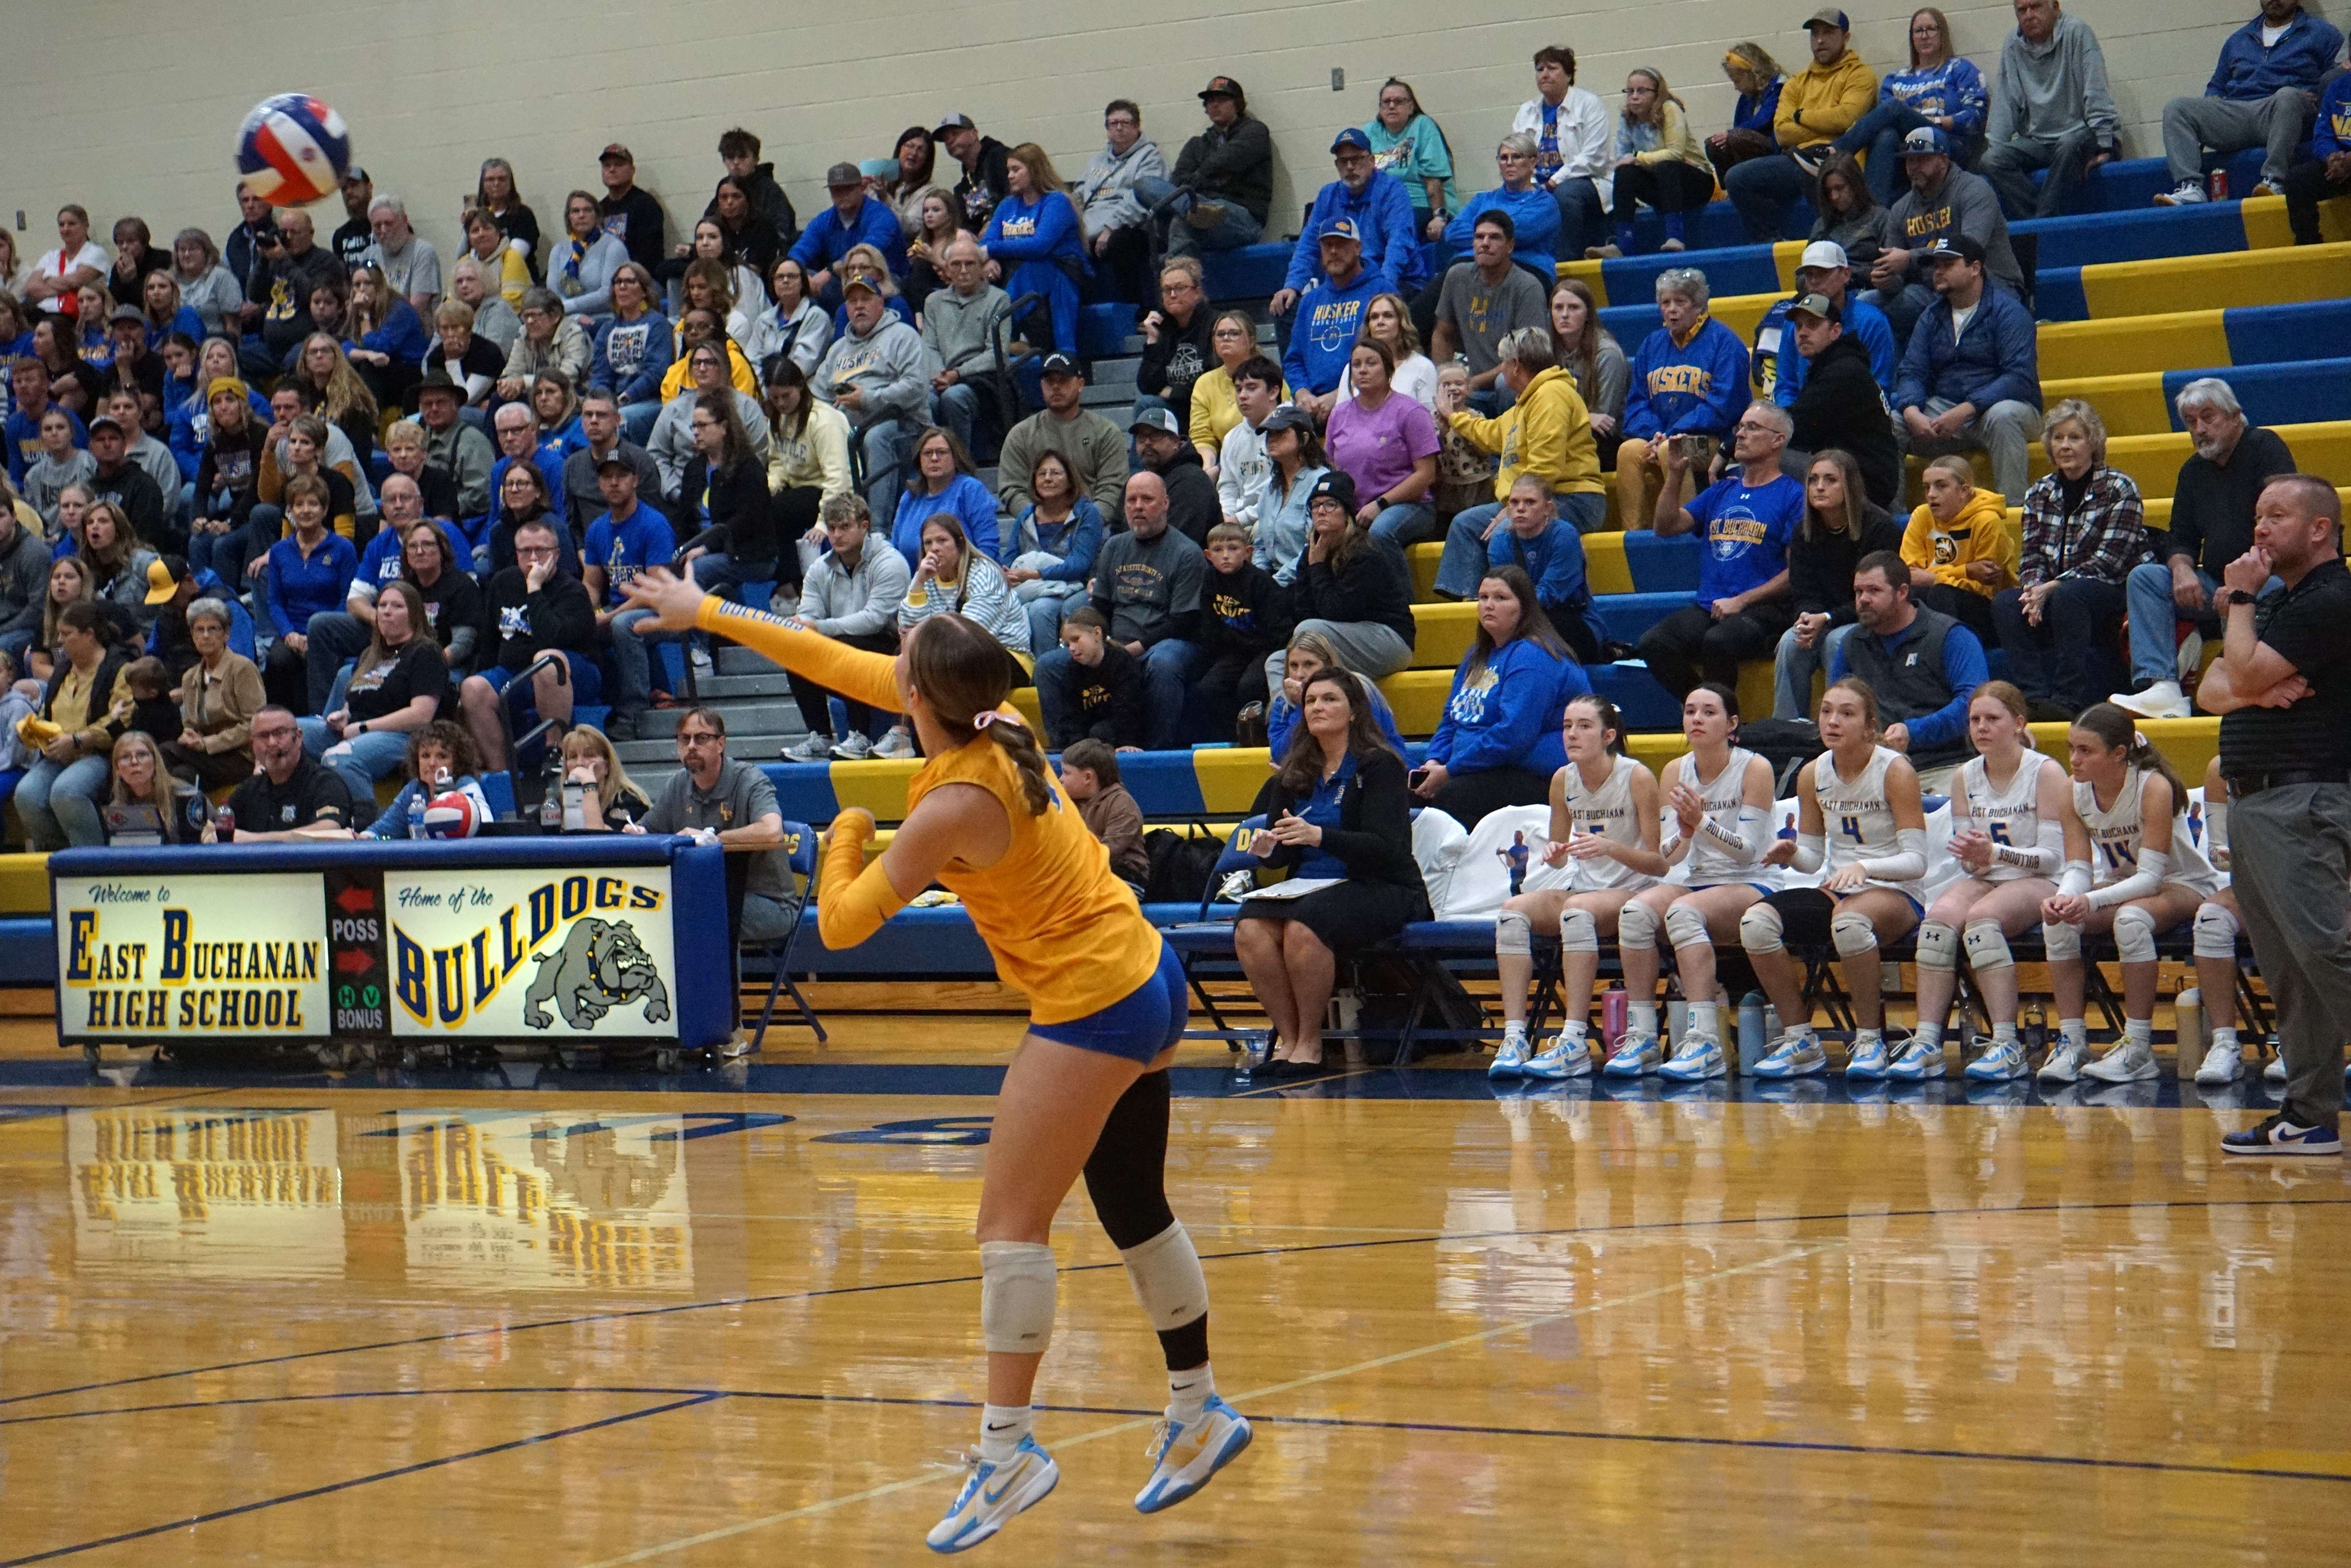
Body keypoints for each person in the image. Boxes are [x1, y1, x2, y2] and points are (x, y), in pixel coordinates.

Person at [629, 567, 1255, 1540]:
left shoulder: (952, 802)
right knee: (1133, 1204)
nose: (890, 671)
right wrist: (703, 611)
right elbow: (834, 661)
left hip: (1096, 1000)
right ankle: (1198, 1407)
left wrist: (840, 832)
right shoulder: (1003, 720)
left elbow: (837, 925)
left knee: (1007, 1229)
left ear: (919, 695)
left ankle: (1007, 1453)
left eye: (904, 662)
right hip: (1148, 969)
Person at [2196, 476, 2351, 1152]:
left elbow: (2244, 673)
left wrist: (2236, 604)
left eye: (2276, 516)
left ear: (2319, 528)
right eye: (2256, 514)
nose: (2258, 528)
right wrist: (2250, 683)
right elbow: (2209, 686)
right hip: (2253, 802)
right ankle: (2309, 1113)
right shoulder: (2285, 602)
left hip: (2302, 796)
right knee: (2289, 966)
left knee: (2325, 951)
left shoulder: (2330, 598)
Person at [1237, 665, 1427, 1077]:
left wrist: (1320, 836)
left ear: (1354, 710)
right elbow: (1281, 855)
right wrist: (1269, 849)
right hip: (1310, 885)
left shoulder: (1379, 766)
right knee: (1250, 925)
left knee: (1307, 923)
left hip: (1381, 884)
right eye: (1310, 701)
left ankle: (1311, 1042)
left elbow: (1385, 848)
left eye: (1329, 699)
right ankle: (1287, 1040)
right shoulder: (1293, 772)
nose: (1317, 707)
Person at [1740, 677, 1929, 1080]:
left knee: (1849, 922)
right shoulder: (1812, 773)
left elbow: (1916, 860)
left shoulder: (1895, 771)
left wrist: (1867, 867)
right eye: (1826, 711)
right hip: (1839, 888)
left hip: (1895, 891)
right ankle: (1800, 1038)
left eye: (1846, 713)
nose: (1833, 720)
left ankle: (1869, 1038)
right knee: (1756, 924)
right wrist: (1792, 853)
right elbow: (1812, 860)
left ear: (1869, 726)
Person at [2034, 702, 2225, 1083]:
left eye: (2085, 750)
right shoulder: (2072, 790)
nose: (2074, 759)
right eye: (2071, 748)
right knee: (2057, 923)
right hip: (2124, 884)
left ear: (2119, 754)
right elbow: (2078, 867)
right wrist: (2066, 897)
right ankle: (2072, 1043)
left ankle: (2138, 1048)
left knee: (2130, 920)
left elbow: (2152, 878)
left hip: (2183, 884)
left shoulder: (2152, 785)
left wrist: (2089, 900)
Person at [1485, 695, 1665, 1079]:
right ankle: (1515, 1037)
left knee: (1577, 914)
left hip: (1633, 890)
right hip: (1583, 887)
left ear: (1608, 735)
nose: (1572, 734)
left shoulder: (1637, 776)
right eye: (1567, 725)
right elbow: (1562, 856)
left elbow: (1658, 862)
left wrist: (1610, 847)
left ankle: (1573, 1039)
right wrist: (1554, 853)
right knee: (1511, 914)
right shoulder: (1561, 779)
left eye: (1584, 726)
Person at [1610, 683, 1780, 1076]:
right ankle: (1643, 1038)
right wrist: (1685, 834)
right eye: (1690, 712)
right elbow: (1670, 859)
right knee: (1635, 912)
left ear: (1732, 724)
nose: (1697, 719)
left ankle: (1706, 1042)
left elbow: (1748, 852)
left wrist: (1701, 822)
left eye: (1708, 712)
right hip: (1699, 880)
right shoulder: (1675, 770)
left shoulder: (1754, 767)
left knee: (1684, 913)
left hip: (1752, 881)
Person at [1908, 680, 2072, 1081]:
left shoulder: (2046, 772)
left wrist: (1994, 854)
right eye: (1974, 719)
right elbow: (1970, 858)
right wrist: (1975, 859)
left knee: (1981, 922)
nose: (1981, 727)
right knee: (1936, 923)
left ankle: (2006, 1043)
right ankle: (1927, 1042)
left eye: (1992, 718)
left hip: (2042, 878)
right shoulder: (1964, 776)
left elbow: (2054, 856)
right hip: (1989, 877)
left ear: (2018, 723)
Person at [2114, 379, 2297, 719]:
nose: (2199, 428)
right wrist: (2182, 570)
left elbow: (2279, 521)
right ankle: (2161, 686)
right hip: (2214, 583)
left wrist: (2242, 583)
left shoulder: (2263, 446)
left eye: (2207, 417)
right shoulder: (2192, 470)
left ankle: (2243, 683)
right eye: (2190, 421)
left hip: (2267, 579)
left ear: (2234, 416)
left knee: (2268, 588)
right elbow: (2180, 536)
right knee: (2145, 578)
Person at [1992, 400, 2148, 721]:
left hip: (2110, 590)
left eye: (2074, 437)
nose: (2065, 446)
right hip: (2055, 592)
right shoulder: (2039, 492)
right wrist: (2033, 589)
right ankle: (2031, 696)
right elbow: (2031, 554)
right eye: (2058, 438)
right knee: (2007, 603)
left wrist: (2051, 587)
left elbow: (2110, 561)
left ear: (2093, 442)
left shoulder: (2119, 487)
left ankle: (2068, 698)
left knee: (2069, 594)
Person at [1638, 402, 1802, 697]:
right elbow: (1665, 527)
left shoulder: (1792, 495)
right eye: (1740, 427)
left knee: (1718, 642)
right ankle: (1703, 708)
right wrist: (1675, 474)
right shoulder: (1722, 490)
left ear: (1778, 439)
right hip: (1712, 606)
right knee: (1654, 643)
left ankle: (1721, 723)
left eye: (1752, 427)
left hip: (1764, 610)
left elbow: (1796, 573)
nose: (1740, 434)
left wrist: (1741, 601)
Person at [1040, 472, 1206, 751]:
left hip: (1168, 642)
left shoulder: (1186, 553)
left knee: (1164, 663)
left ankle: (1158, 752)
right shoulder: (1114, 546)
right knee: (1049, 666)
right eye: (1131, 500)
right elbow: (1101, 606)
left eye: (1147, 499)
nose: (1138, 506)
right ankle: (1067, 750)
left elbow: (1183, 620)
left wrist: (1132, 649)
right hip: (1114, 642)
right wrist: (1096, 641)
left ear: (1165, 504)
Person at [1413, 565, 1588, 828]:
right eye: (1483, 598)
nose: (1488, 606)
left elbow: (1514, 734)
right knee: (1402, 796)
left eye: (1501, 598)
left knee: (1452, 800)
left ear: (1524, 607)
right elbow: (1452, 718)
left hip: (1535, 774)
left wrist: (1451, 771)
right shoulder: (1476, 655)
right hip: (1479, 767)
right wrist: (1434, 761)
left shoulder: (1533, 655)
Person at [630, 705, 796, 956]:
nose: (692, 746)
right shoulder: (678, 785)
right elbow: (647, 830)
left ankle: (725, 997)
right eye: (684, 739)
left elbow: (772, 831)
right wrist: (637, 834)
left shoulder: (749, 779)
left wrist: (709, 839)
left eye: (702, 738)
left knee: (703, 913)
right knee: (660, 907)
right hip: (712, 894)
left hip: (771, 903)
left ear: (721, 744)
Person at [1893, 236, 2042, 504]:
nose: (1938, 271)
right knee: (1893, 422)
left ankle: (2014, 516)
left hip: (1998, 410)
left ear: (1975, 268)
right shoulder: (1930, 316)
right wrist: (1911, 410)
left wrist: (1967, 408)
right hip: (1947, 410)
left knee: (2003, 415)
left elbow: (2019, 377)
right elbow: (1911, 372)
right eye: (1935, 265)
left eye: (1948, 264)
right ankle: (1893, 524)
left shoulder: (2008, 312)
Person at [1829, 550, 1992, 790]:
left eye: (1874, 591)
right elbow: (1835, 706)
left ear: (1902, 592)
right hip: (1872, 768)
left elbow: (1974, 705)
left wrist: (1914, 732)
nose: (1863, 599)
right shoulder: (1853, 642)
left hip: (1943, 766)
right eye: (1859, 592)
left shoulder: (1950, 636)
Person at [2155, 0, 2341, 207]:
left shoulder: (2323, 34)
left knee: (2288, 96)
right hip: (2240, 112)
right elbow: (2216, 86)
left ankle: (2274, 180)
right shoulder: (2239, 39)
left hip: (2286, 110)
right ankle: (2191, 187)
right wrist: (2215, 103)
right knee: (2177, 107)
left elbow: (2336, 83)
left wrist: (2313, 95)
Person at [1724, 10, 1879, 244]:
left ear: (1846, 37)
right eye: (1815, 34)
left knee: (1813, 168)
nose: (1820, 40)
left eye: (1828, 33)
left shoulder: (1861, 75)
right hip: (1795, 159)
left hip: (1837, 158)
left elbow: (1847, 118)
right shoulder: (1796, 82)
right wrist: (1828, 126)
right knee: (1736, 178)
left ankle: (1842, 240)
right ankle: (1772, 242)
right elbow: (1783, 133)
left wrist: (1801, 116)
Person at [460, 515, 600, 772]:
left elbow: (553, 638)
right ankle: (503, 773)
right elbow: (490, 641)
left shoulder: (572, 591)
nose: (534, 557)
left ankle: (554, 751)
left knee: (545, 660)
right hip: (515, 673)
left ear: (556, 554)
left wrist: (534, 589)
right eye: (526, 551)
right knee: (473, 688)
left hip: (572, 674)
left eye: (541, 550)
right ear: (516, 554)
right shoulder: (502, 583)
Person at [299, 579, 448, 819]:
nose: (387, 611)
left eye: (397, 606)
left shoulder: (425, 652)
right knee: (289, 732)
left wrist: (365, 727)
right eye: (382, 605)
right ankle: (301, 814)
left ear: (414, 614)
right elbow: (359, 699)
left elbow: (422, 715)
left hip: (404, 736)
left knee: (339, 759)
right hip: (359, 730)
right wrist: (344, 715)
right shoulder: (371, 654)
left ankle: (369, 827)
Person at [778, 493, 911, 762]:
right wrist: (803, 627)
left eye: (845, 527)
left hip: (891, 647)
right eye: (832, 528)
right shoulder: (819, 568)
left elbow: (874, 619)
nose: (837, 535)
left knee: (847, 648)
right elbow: (808, 614)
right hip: (843, 641)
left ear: (864, 526)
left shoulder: (890, 562)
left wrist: (817, 626)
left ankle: (860, 736)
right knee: (796, 649)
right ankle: (820, 736)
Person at [1615, 268, 1750, 531]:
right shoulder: (1651, 345)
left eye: (1681, 302)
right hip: (1662, 438)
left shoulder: (1725, 343)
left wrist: (1672, 434)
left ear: (1699, 306)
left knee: (1672, 450)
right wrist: (1654, 433)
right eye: (1666, 303)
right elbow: (1637, 403)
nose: (1672, 310)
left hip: (1715, 443)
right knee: (1628, 451)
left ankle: (1688, 526)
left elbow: (1723, 406)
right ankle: (1632, 534)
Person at [1262, 472, 1417, 699]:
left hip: (1389, 640)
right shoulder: (1311, 553)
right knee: (1276, 663)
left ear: (1347, 514)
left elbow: (1338, 612)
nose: (1321, 511)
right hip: (1338, 639)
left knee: (1311, 630)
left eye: (1330, 504)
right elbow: (1303, 610)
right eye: (1315, 506)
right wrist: (1314, 563)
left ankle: (1319, 703)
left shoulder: (1366, 553)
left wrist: (1317, 567)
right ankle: (1288, 723)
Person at [1775, 449, 1903, 718]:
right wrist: (1809, 617)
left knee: (1837, 641)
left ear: (1850, 485)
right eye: (1813, 480)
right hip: (1824, 618)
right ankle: (1788, 733)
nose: (1819, 487)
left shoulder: (1879, 528)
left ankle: (1844, 724)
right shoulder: (1803, 532)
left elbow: (1877, 598)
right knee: (1791, 640)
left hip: (1870, 617)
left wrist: (1828, 617)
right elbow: (1803, 591)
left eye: (1830, 480)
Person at [1869, 129, 2027, 346]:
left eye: (1922, 159)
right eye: (1909, 161)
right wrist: (1887, 281)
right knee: (1866, 308)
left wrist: (1910, 257)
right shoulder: (1900, 210)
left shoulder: (1974, 190)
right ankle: (1893, 380)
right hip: (1933, 292)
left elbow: (1971, 250)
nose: (1913, 167)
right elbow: (1898, 274)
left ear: (1944, 161)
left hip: (1991, 285)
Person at [1978, 0, 2122, 220]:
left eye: (2035, 7)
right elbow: (2005, 105)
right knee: (1991, 160)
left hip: (2081, 134)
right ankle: (2041, 218)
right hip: (2039, 142)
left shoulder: (2078, 32)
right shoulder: (2012, 45)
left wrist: (2106, 146)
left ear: (2055, 8)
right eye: (2022, 10)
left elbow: (2096, 90)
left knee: (2068, 144)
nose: (2029, 15)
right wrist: (1995, 148)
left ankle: (2041, 225)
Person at [1834, 8, 1989, 204]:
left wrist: (1939, 122)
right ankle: (1876, 218)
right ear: (1912, 38)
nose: (1925, 36)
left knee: (1894, 109)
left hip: (1948, 145)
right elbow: (1882, 123)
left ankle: (1837, 153)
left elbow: (1977, 116)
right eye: (1918, 31)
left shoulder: (1960, 69)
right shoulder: (1895, 79)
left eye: (1931, 30)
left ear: (1943, 34)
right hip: (1907, 150)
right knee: (1886, 135)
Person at [14, 601, 130, 849]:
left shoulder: (119, 667)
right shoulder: (62, 671)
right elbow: (47, 713)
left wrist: (77, 740)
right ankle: (57, 862)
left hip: (101, 754)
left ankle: (90, 865)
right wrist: (39, 734)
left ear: (89, 635)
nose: (59, 641)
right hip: (60, 755)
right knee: (26, 794)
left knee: (67, 792)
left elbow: (121, 720)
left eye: (66, 634)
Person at [1273, 130, 1424, 320]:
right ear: (1337, 165)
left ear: (1372, 161)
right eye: (1343, 161)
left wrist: (1383, 288)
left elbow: (1399, 242)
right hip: (1345, 283)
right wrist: (1292, 285)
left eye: (1357, 159)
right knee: (1286, 308)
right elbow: (1308, 245)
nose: (1350, 167)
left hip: (1395, 281)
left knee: (1369, 310)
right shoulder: (1328, 195)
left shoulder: (1392, 191)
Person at [814, 275, 930, 522]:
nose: (859, 306)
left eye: (866, 299)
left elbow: (916, 387)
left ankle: (879, 527)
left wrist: (867, 399)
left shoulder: (903, 336)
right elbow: (818, 395)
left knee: (878, 437)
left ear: (881, 303)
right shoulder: (838, 350)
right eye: (852, 301)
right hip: (851, 426)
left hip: (906, 425)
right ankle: (836, 524)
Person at [584, 456, 678, 740]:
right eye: (607, 477)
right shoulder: (597, 529)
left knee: (624, 625)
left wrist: (609, 617)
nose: (614, 483)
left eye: (621, 476)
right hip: (619, 607)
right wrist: (587, 612)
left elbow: (654, 591)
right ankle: (602, 706)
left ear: (635, 480)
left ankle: (634, 713)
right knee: (579, 628)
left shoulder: (654, 524)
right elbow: (591, 583)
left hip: (664, 609)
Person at [673, 389, 776, 638]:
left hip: (748, 554)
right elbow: (686, 518)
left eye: (702, 425)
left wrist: (706, 548)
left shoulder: (748, 467)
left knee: (696, 570)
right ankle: (733, 627)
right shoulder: (694, 470)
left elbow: (749, 520)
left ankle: (699, 647)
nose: (695, 432)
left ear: (724, 428)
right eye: (693, 426)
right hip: (706, 551)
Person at [1781, 295, 1899, 511]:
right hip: (1855, 473)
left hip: (1865, 487)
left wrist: (1731, 445)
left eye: (1813, 325)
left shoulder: (1842, 372)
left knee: (1765, 456)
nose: (1803, 333)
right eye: (1798, 327)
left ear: (1835, 332)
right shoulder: (1834, 365)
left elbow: (1794, 426)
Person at [1431, 214, 1551, 423]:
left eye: (1494, 238)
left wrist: (1472, 382)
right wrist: (1445, 378)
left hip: (1515, 385)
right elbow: (1443, 334)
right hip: (1473, 388)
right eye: (1479, 237)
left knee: (1505, 385)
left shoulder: (1528, 287)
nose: (1485, 244)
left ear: (1510, 246)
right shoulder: (1457, 277)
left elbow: (1525, 359)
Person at [1136, 77, 1273, 259]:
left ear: (1238, 104)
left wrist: (1200, 176)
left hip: (1243, 218)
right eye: (1210, 102)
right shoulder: (1196, 145)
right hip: (1200, 211)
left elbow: (1228, 160)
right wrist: (1209, 183)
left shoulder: (1255, 132)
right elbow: (1178, 183)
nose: (1215, 105)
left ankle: (1196, 210)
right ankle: (1195, 209)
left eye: (1222, 100)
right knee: (1144, 184)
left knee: (1181, 222)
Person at [1325, 335, 1440, 548]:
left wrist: (1381, 504)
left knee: (1380, 533)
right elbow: (1333, 467)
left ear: (1388, 370)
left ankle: (1399, 584)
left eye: (1371, 363)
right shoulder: (1339, 414)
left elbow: (1426, 474)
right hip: (1356, 507)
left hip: (1409, 505)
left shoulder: (1411, 412)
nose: (1362, 370)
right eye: (1357, 365)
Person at [981, 144, 1088, 360]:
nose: (1010, 176)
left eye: (1016, 170)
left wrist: (991, 250)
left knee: (1034, 268)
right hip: (1020, 272)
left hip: (1061, 271)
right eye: (1009, 171)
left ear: (1034, 170)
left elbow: (1040, 245)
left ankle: (1019, 340)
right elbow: (987, 240)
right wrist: (989, 259)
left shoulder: (1057, 202)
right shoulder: (1008, 205)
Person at [1595, 69, 1716, 258]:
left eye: (1642, 91)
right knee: (1625, 172)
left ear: (1657, 94)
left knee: (1666, 165)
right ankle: (1623, 243)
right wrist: (1630, 162)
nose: (1634, 97)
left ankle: (1675, 236)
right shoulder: (1627, 116)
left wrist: (1638, 158)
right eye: (1630, 91)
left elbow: (1675, 152)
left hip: (1695, 183)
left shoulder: (1669, 109)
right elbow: (1621, 155)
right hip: (1662, 185)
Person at [1898, 455, 2014, 645]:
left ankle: (1947, 652)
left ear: (1964, 491)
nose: (1931, 495)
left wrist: (1935, 579)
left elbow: (1986, 590)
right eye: (1927, 487)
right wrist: (1967, 570)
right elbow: (1909, 575)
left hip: (1984, 611)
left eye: (1941, 486)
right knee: (1910, 594)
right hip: (1936, 599)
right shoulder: (1921, 515)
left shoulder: (1987, 521)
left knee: (1941, 593)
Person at [1191, 520, 1291, 740]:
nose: (1225, 556)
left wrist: (1249, 645)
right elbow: (1210, 626)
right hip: (1234, 650)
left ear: (1248, 552)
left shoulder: (1260, 582)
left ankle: (1259, 736)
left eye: (1233, 549)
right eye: (1218, 550)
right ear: (1208, 556)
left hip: (1264, 649)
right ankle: (1232, 737)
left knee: (1250, 685)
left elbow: (1278, 632)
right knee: (1209, 687)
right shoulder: (1210, 580)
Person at [1511, 45, 1613, 259]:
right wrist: (1528, 184)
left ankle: (1566, 263)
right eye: (1540, 69)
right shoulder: (1527, 111)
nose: (1545, 74)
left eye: (1552, 68)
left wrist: (1554, 182)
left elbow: (1594, 158)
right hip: (1540, 184)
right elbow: (1517, 153)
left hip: (1586, 182)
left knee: (1564, 196)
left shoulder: (1589, 104)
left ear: (1568, 75)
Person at [998, 356, 1129, 519]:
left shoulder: (1106, 432)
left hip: (1094, 526)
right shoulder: (1021, 435)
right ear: (1041, 386)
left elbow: (1113, 488)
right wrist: (1038, 520)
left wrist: (1088, 523)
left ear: (1081, 385)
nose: (1056, 387)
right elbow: (1011, 488)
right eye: (1049, 381)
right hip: (1037, 527)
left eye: (1063, 380)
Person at [1279, 220, 1385, 421]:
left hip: (1365, 404)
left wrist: (1340, 396)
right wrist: (1303, 395)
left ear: (1358, 248)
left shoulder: (1381, 293)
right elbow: (1294, 360)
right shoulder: (1310, 301)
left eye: (1342, 244)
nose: (1334, 251)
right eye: (1328, 246)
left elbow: (1391, 358)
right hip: (1312, 407)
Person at [919, 236, 1011, 461]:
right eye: (956, 265)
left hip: (980, 381)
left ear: (981, 268)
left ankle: (961, 466)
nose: (963, 271)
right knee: (923, 401)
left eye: (970, 264)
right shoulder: (934, 301)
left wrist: (957, 374)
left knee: (954, 397)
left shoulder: (998, 299)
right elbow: (929, 346)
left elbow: (996, 354)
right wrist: (939, 375)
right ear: (947, 270)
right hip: (941, 376)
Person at [1004, 451, 1106, 655]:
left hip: (1077, 585)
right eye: (1042, 474)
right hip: (1031, 586)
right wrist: (1008, 574)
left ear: (1070, 480)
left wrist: (1037, 574)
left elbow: (1080, 564)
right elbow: (1009, 559)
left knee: (1041, 610)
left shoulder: (1087, 513)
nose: (1048, 479)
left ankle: (1047, 671)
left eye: (1056, 473)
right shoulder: (1026, 516)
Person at [1776, 240, 1897, 410]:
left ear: (1846, 274)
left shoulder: (1872, 321)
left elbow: (1881, 385)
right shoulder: (1794, 324)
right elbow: (1786, 385)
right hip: (1805, 417)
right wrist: (1794, 418)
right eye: (1810, 275)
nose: (1815, 281)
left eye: (1823, 273)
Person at [1438, 135, 1564, 296]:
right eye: (1504, 158)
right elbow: (1453, 233)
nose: (1509, 163)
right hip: (1469, 266)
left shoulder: (1545, 203)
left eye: (1516, 157)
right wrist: (1497, 235)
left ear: (1533, 162)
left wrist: (1479, 236)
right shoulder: (1483, 199)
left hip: (1526, 269)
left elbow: (1519, 235)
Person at [1071, 101, 1165, 304]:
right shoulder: (1097, 161)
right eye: (1113, 123)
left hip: (1132, 227)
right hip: (1090, 229)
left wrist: (1110, 228)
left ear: (1137, 127)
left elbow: (1141, 199)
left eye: (1125, 122)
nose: (1119, 128)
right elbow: (1079, 193)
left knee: (1121, 243)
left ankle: (1137, 310)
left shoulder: (1150, 157)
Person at [223, 704, 354, 840]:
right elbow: (219, 826)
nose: (272, 743)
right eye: (263, 736)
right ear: (253, 745)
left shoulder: (325, 783)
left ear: (298, 738)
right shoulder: (250, 789)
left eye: (280, 733)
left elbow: (328, 830)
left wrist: (251, 840)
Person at [790, 162, 909, 310]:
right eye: (836, 191)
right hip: (843, 280)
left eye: (848, 189)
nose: (842, 195)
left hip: (884, 279)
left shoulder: (881, 215)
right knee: (791, 279)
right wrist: (801, 276)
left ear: (861, 188)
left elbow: (866, 251)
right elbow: (799, 252)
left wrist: (829, 272)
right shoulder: (825, 220)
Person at [889, 425, 999, 571]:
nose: (934, 458)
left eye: (941, 452)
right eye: (928, 453)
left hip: (969, 583)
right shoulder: (909, 498)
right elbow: (895, 552)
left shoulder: (970, 490)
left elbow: (988, 547)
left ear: (955, 457)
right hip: (917, 586)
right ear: (919, 460)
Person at [363, 720, 496, 838]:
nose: (432, 763)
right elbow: (382, 830)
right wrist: (360, 837)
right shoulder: (414, 789)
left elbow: (486, 828)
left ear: (457, 762)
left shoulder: (465, 785)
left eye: (442, 756)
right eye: (425, 756)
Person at [1364, 78, 1460, 241]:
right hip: (1382, 205)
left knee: (1392, 228)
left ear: (1411, 107)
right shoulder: (1370, 131)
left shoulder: (1423, 126)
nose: (1392, 106)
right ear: (1380, 108)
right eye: (1386, 102)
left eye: (1399, 101)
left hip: (1420, 204)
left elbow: (1434, 180)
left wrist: (1439, 217)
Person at [1039, 607, 1146, 750]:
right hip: (1090, 739)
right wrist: (1076, 748)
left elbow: (1129, 711)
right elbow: (1070, 717)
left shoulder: (1122, 663)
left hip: (1117, 737)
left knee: (1099, 731)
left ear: (1097, 633)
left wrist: (1127, 743)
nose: (1071, 648)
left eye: (1076, 640)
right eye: (1067, 644)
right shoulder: (1072, 671)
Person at [1189, 310, 1279, 472]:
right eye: (1220, 334)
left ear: (1251, 341)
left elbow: (1283, 422)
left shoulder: (1270, 376)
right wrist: (1208, 467)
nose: (1226, 338)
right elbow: (1202, 437)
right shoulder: (1204, 383)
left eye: (1234, 333)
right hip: (1224, 459)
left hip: (1269, 454)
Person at [1249, 407, 1328, 587]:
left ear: (1305, 438)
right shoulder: (1271, 486)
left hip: (1308, 582)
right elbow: (1261, 545)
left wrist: (1275, 583)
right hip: (1274, 581)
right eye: (1270, 433)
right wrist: (1261, 580)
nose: (1272, 439)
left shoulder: (1321, 482)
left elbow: (1315, 546)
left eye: (1281, 432)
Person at [1136, 258, 1213, 441]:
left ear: (1197, 293)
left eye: (1180, 288)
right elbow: (1147, 385)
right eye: (1167, 290)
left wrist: (1173, 393)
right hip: (1176, 411)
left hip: (1207, 408)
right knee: (1147, 405)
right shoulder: (1163, 327)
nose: (1172, 295)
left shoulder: (1214, 325)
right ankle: (1145, 471)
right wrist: (1153, 340)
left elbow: (1213, 379)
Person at [1056, 739, 1148, 887]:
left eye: (1067, 773)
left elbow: (1110, 851)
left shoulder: (1122, 804)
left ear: (1088, 777)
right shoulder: (1067, 804)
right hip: (1085, 874)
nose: (1060, 780)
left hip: (1125, 878)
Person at [1130, 407, 1220, 548]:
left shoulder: (1192, 481)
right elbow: (1118, 529)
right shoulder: (1137, 481)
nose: (1147, 443)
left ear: (1176, 442)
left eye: (1155, 435)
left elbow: (1177, 544)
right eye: (1141, 437)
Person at [414, 371, 495, 521]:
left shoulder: (473, 441)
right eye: (427, 404)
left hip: (463, 524)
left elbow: (482, 495)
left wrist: (442, 509)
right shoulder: (418, 439)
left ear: (456, 405)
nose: (434, 409)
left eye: (441, 402)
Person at [1339, 290, 1438, 412]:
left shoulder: (1423, 367)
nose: (1380, 322)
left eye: (1388, 316)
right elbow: (1341, 416)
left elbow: (1431, 420)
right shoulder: (1354, 367)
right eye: (1374, 317)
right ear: (1368, 325)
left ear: (1401, 322)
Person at [1214, 356, 1283, 529]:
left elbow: (1286, 491)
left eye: (1251, 388)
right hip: (1240, 521)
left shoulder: (1290, 432)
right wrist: (1227, 519)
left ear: (1273, 392)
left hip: (1278, 517)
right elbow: (1228, 487)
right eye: (1238, 389)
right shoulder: (1232, 437)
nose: (1243, 396)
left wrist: (1240, 519)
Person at [2283, 69, 2351, 244]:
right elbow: (2322, 134)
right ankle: (2309, 248)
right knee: (2297, 180)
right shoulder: (2337, 88)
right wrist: (2331, 156)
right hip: (2340, 166)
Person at [1710, 43, 1790, 180]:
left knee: (1735, 138)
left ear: (1753, 74)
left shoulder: (1777, 88)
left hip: (1775, 146)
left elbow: (1765, 119)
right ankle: (1730, 186)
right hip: (1751, 143)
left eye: (1737, 81)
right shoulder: (1746, 98)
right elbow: (1738, 125)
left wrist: (1729, 134)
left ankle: (1751, 179)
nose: (1736, 87)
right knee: (1714, 144)